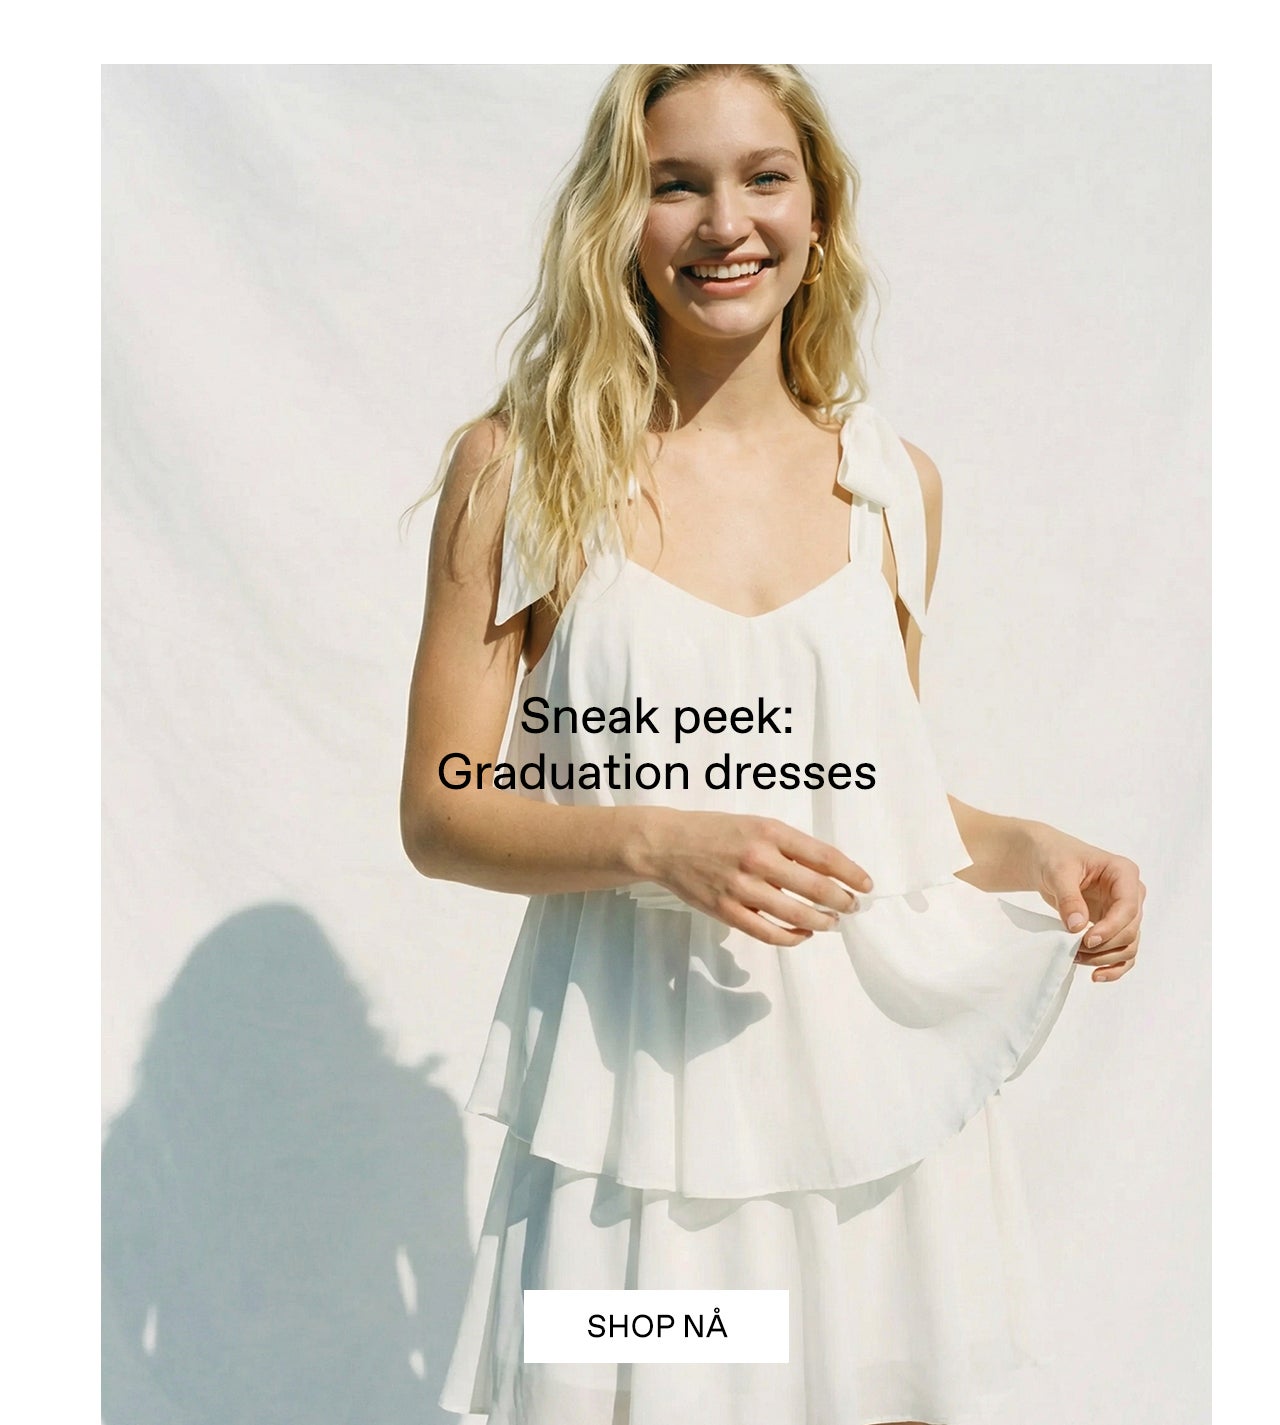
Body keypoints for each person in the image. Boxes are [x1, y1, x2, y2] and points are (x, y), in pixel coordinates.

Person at [400, 63, 1144, 1425]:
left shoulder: (894, 487)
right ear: (617, 218)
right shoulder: (521, 468)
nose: (724, 222)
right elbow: (441, 811)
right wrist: (656, 841)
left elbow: (869, 795)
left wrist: (1033, 847)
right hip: (634, 1112)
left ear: (819, 212)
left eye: (764, 177)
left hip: (866, 1115)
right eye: (674, 184)